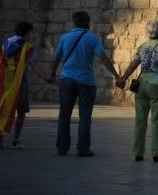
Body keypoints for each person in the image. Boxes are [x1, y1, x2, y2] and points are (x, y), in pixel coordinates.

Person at [49, 11, 122, 157]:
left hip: (67, 79)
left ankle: (62, 147)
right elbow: (103, 58)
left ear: (74, 22)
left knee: (64, 114)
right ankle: (83, 148)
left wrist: (52, 75)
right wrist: (116, 76)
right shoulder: (92, 38)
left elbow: (56, 57)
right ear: (88, 22)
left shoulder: (65, 38)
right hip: (86, 82)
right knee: (85, 116)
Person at [116, 20, 158, 162]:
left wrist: (124, 78)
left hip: (142, 85)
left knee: (140, 120)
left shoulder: (143, 47)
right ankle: (157, 153)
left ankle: (138, 152)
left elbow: (133, 65)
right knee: (157, 120)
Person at [1, 22, 46, 149]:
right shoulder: (27, 47)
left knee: (3, 109)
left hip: (4, 84)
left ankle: (1, 140)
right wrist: (45, 77)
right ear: (27, 33)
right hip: (21, 83)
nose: (32, 35)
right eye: (31, 33)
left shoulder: (6, 43)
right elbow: (33, 65)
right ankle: (16, 140)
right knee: (21, 112)